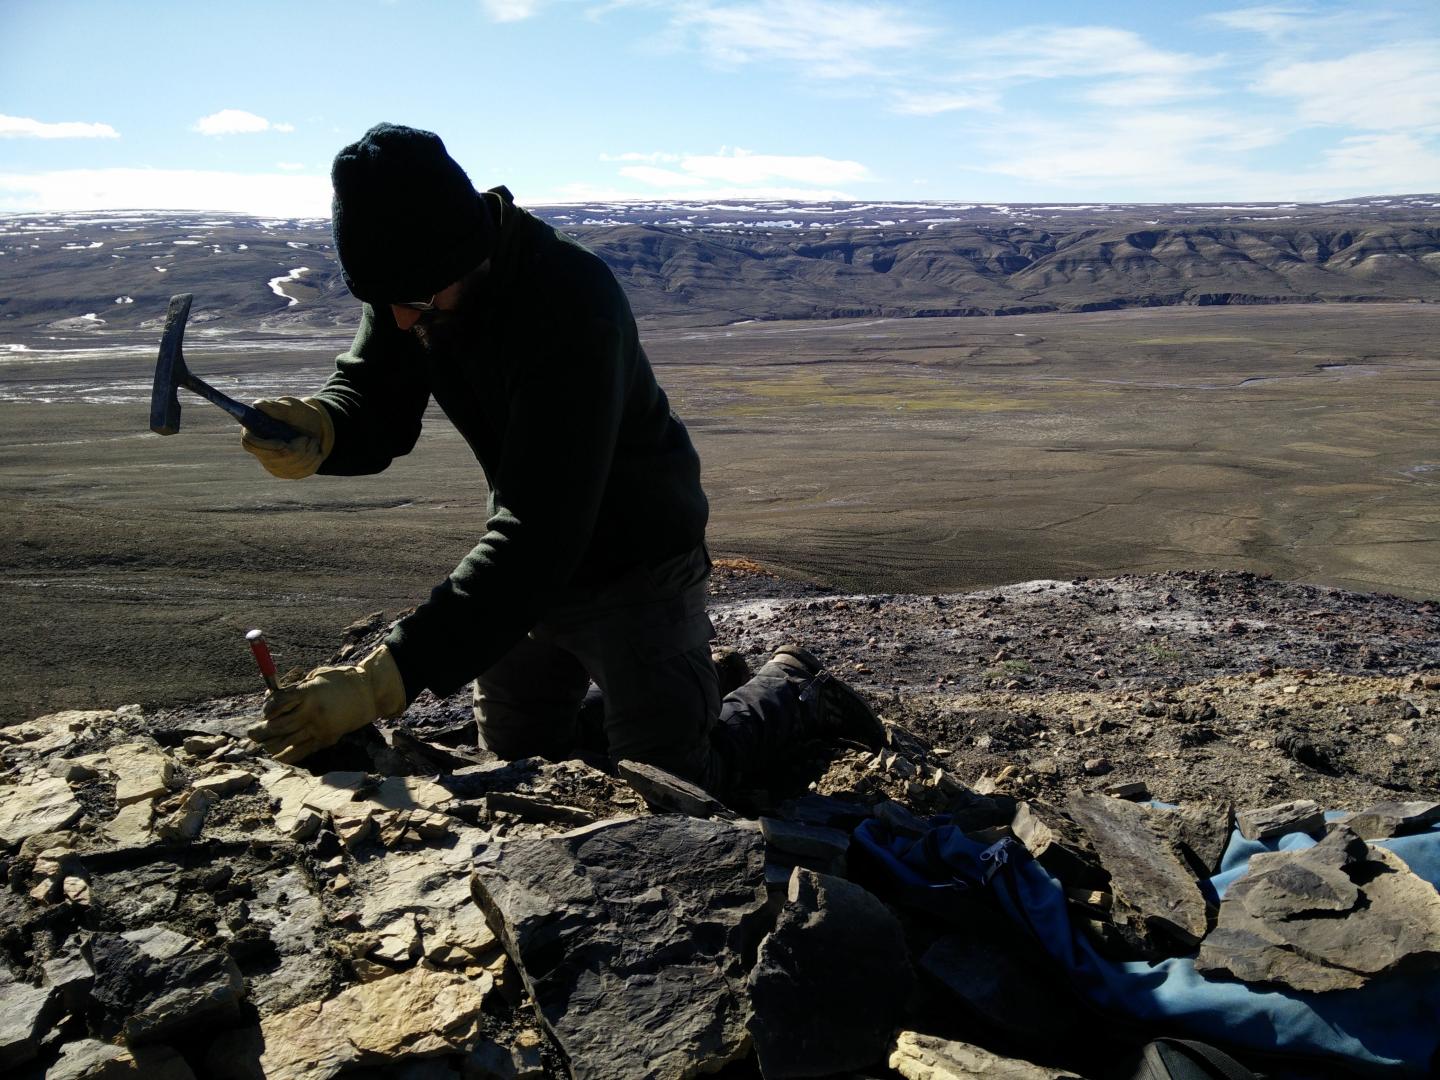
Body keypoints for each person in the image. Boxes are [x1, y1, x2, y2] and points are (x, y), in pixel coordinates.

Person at [243, 123, 882, 797]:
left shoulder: (569, 301)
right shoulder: (414, 281)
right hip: (531, 568)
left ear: (471, 254)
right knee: (521, 764)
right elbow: (375, 397)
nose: (401, 321)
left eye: (416, 303)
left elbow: (540, 531)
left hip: (637, 559)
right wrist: (326, 425)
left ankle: (793, 688)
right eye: (386, 304)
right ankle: (680, 686)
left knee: (673, 784)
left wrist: (382, 680)